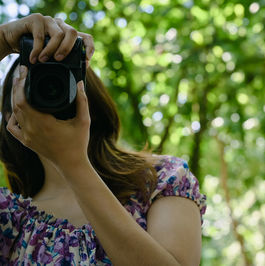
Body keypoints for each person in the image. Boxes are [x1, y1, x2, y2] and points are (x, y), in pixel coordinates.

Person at [0, 13, 206, 265]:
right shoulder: (10, 219)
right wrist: (2, 39)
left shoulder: (163, 178)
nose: (48, 91)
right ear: (9, 114)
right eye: (33, 85)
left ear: (88, 93)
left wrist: (72, 163)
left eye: (59, 81)